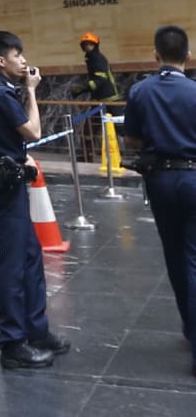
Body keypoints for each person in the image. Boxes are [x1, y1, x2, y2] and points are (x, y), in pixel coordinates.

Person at [0, 30, 70, 369]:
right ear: (1, 61)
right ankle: (12, 343)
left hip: (12, 175)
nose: (24, 60)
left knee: (30, 256)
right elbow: (34, 131)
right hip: (7, 181)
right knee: (14, 263)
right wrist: (31, 91)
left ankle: (36, 329)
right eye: (18, 55)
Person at [123, 25, 196, 378]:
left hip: (161, 181)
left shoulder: (139, 91)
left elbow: (134, 140)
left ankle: (190, 327)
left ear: (156, 55)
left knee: (176, 255)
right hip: (195, 178)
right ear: (188, 56)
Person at [71, 32, 122, 111]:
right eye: (86, 44)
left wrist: (82, 89)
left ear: (95, 45)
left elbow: (100, 79)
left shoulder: (97, 59)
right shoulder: (91, 58)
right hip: (99, 97)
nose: (88, 47)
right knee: (95, 121)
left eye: (90, 44)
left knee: (115, 121)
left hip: (108, 98)